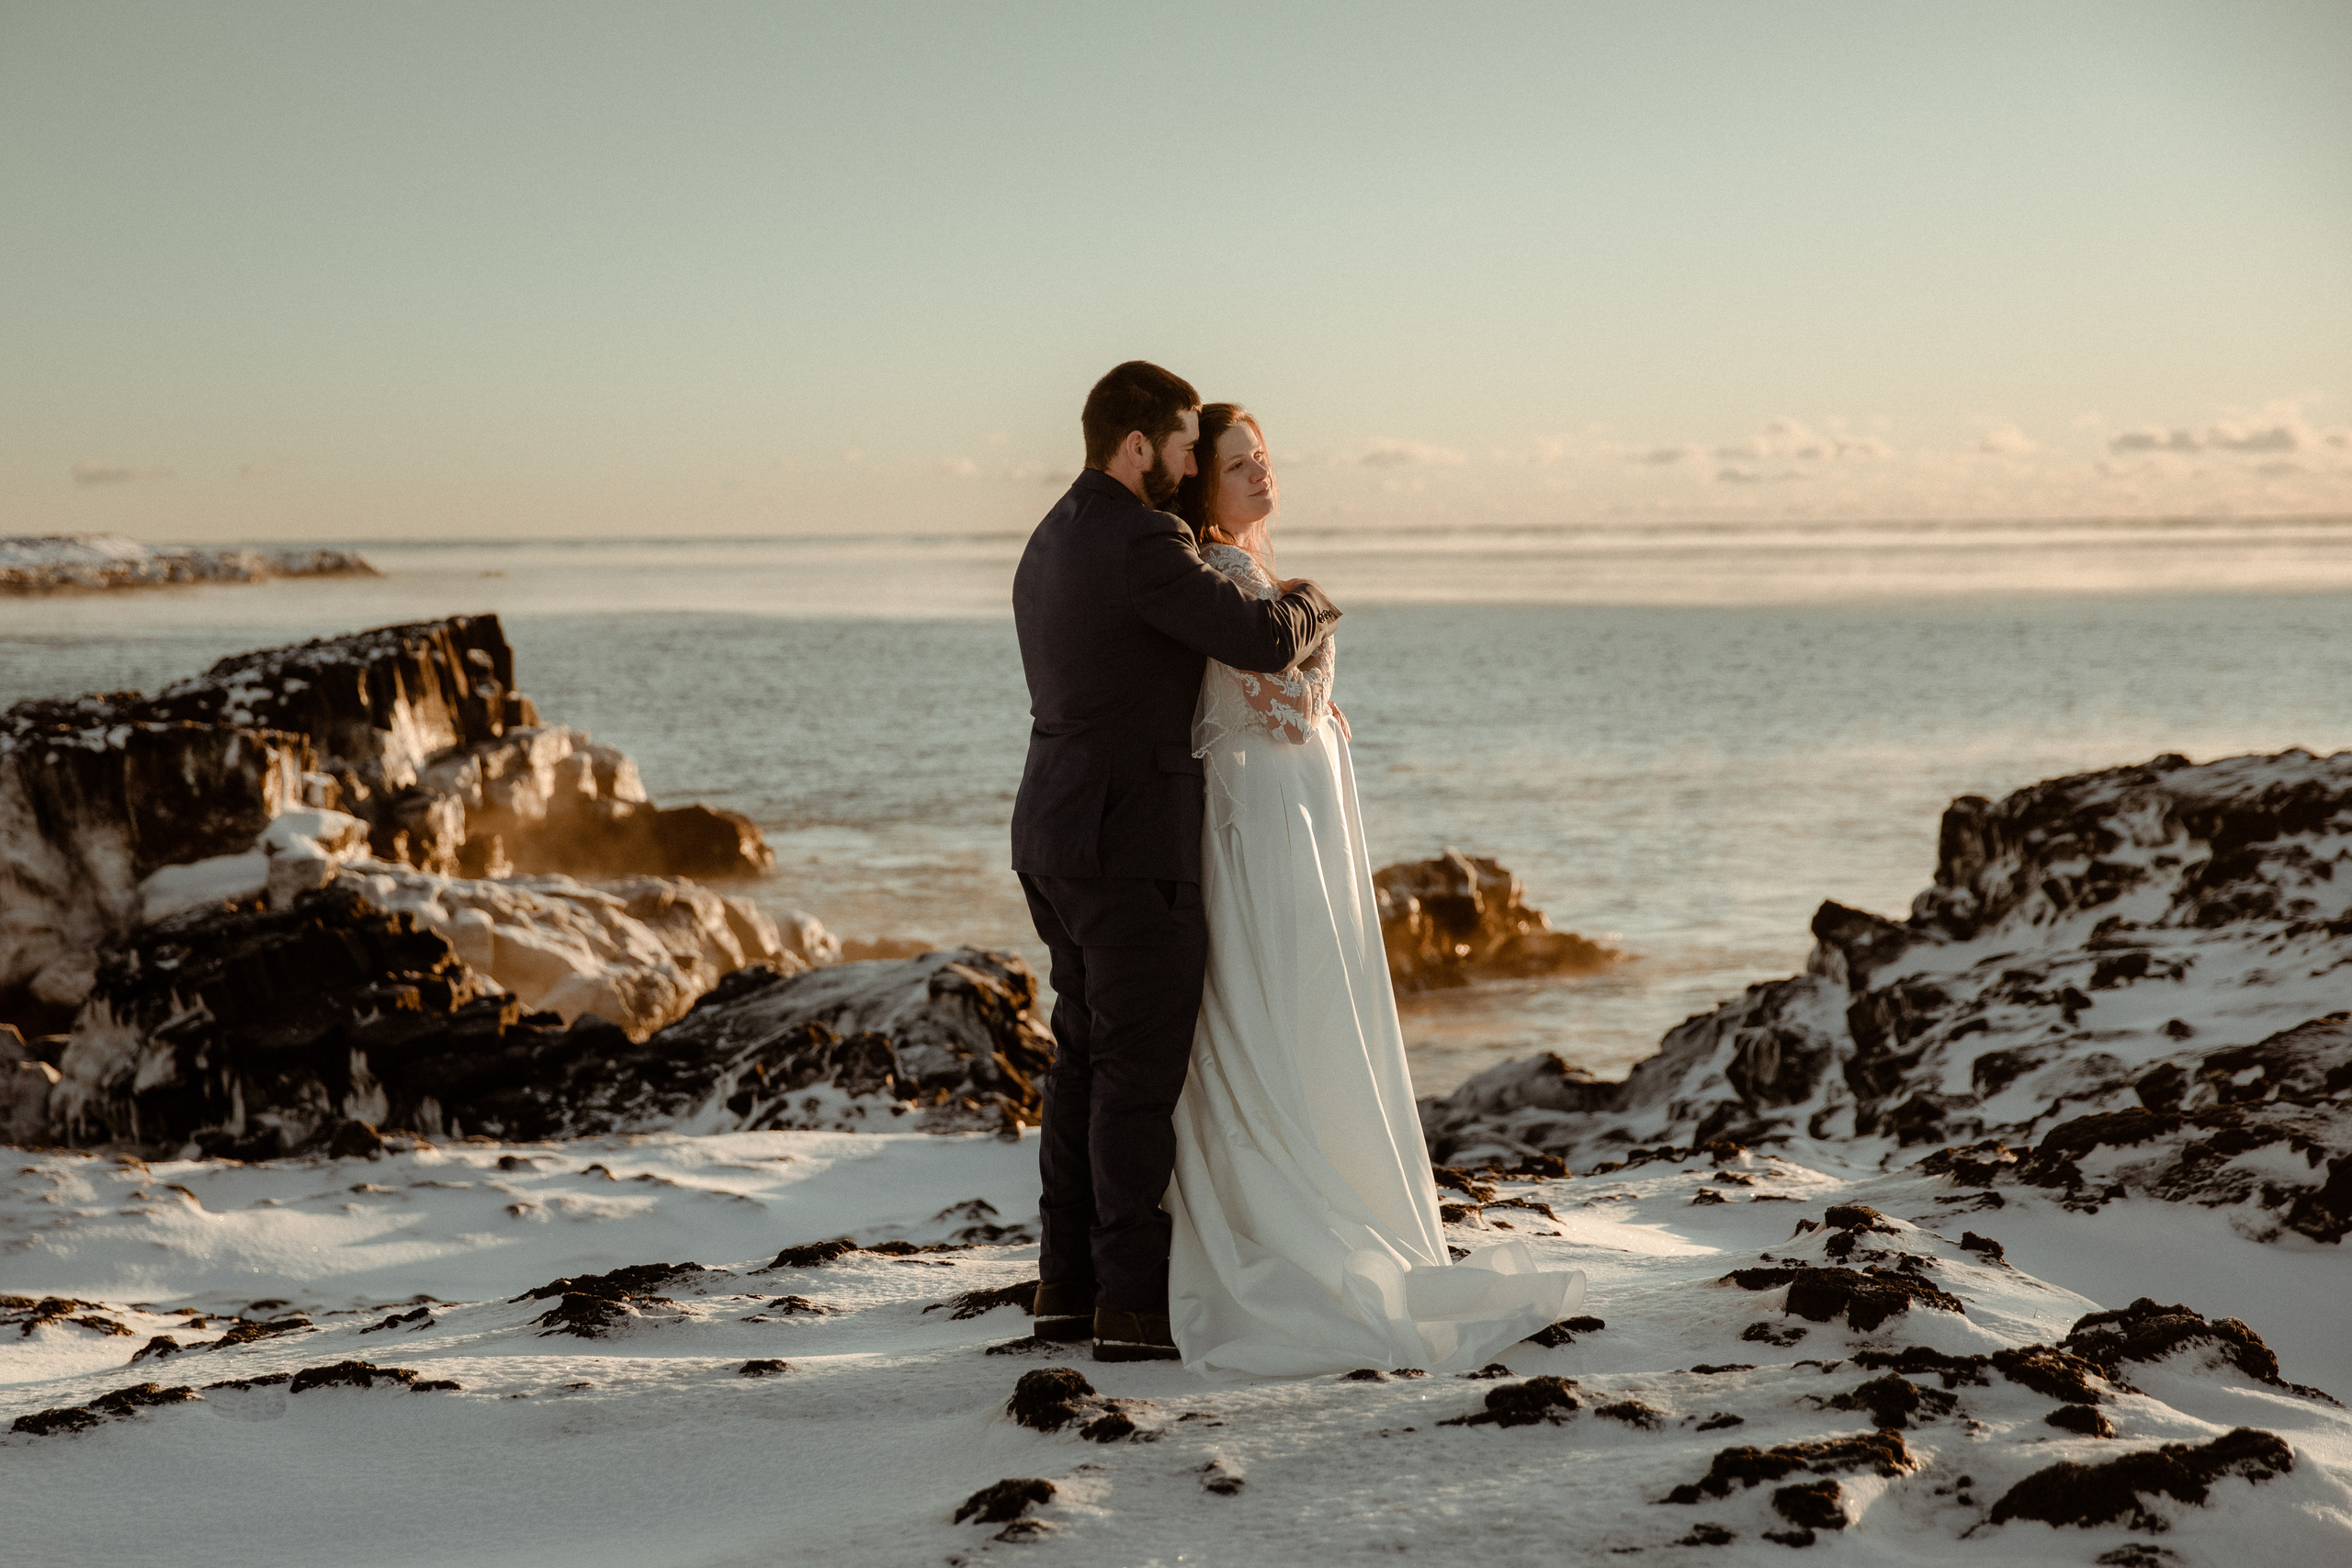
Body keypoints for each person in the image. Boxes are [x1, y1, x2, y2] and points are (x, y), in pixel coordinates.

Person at [1162, 403, 1585, 1375]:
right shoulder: (1226, 576)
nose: (1261, 473)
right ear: (1204, 486)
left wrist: (1308, 641)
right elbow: (1285, 703)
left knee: (1310, 998)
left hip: (1292, 808)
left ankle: (1332, 1178)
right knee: (1289, 996)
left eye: (1264, 457)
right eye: (1238, 463)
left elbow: (1293, 697)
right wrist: (1317, 634)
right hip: (1267, 815)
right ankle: (1305, 1210)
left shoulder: (1252, 577)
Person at [1011, 361, 1341, 1360]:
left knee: (1083, 1064)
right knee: (1135, 1080)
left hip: (1051, 833)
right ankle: (1131, 1306)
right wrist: (1314, 599)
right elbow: (1258, 637)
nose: (1195, 468)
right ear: (1136, 446)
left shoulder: (1049, 536)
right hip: (1129, 843)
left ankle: (1065, 1286)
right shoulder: (1142, 538)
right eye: (1188, 449)